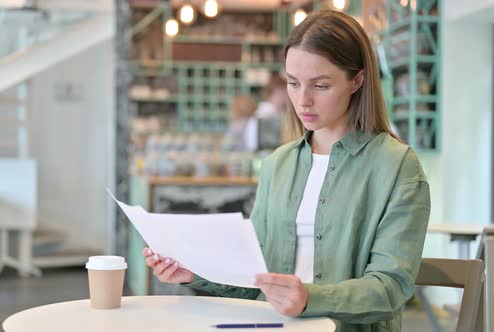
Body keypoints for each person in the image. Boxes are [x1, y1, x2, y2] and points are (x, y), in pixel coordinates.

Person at [142, 10, 430, 332]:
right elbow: (255, 280)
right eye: (293, 83)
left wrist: (309, 299)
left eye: (320, 86)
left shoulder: (397, 166)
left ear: (357, 81)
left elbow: (390, 289)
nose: (302, 100)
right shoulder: (278, 165)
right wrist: (197, 273)